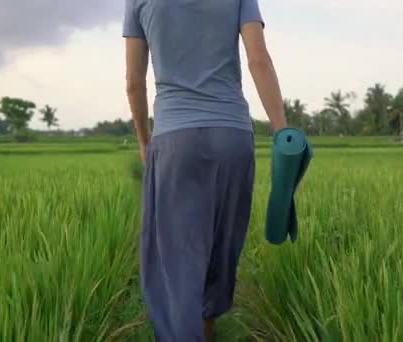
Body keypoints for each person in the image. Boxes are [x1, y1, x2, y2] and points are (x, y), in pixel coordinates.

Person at [123, 0, 287, 340]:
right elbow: (259, 60)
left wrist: (143, 140)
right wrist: (281, 131)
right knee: (221, 249)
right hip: (233, 136)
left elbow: (134, 82)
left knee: (175, 264)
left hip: (174, 139)